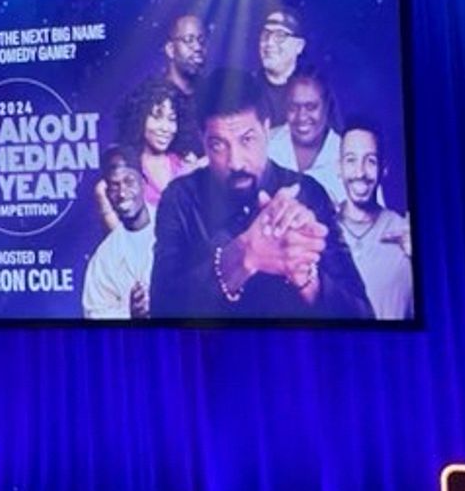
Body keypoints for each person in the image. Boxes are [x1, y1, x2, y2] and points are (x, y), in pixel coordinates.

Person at [148, 69, 371, 320]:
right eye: (218, 145)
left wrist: (306, 278)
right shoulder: (180, 199)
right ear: (203, 141)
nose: (236, 163)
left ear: (266, 129)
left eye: (247, 139)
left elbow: (363, 316)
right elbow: (160, 310)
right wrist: (242, 256)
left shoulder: (307, 194)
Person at [334, 121, 413, 320]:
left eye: (371, 161)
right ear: (339, 168)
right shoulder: (321, 229)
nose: (360, 173)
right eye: (351, 160)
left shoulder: (404, 232)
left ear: (383, 169)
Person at [82, 145, 155, 319]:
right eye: (114, 186)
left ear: (143, 183)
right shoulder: (104, 258)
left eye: (129, 182)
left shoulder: (178, 231)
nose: (122, 193)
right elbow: (94, 315)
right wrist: (130, 314)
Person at [268, 65, 346, 206]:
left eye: (311, 107)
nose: (301, 116)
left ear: (327, 105)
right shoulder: (266, 145)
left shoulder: (348, 154)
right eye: (293, 107)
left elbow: (376, 220)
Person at [118, 75, 196, 209]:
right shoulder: (128, 169)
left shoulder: (184, 161)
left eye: (171, 119)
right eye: (157, 117)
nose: (165, 128)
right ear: (139, 118)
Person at [160, 12, 209, 158]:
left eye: (201, 40)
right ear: (170, 49)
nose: (197, 47)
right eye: (189, 40)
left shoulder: (212, 94)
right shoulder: (155, 99)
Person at [257, 4, 306, 124]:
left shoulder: (314, 92)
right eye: (265, 34)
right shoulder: (246, 91)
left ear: (299, 46)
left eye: (280, 35)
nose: (269, 43)